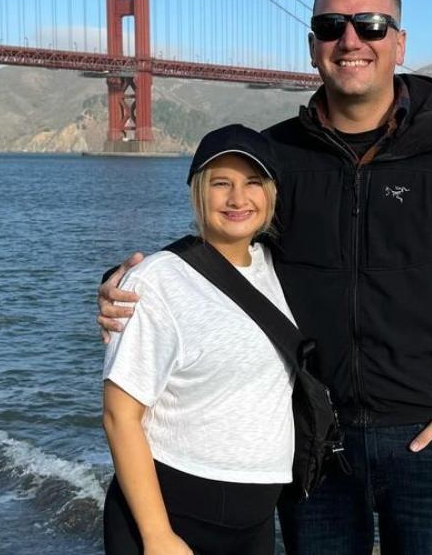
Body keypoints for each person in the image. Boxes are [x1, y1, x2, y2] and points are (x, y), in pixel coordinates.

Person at [99, 0, 432, 555]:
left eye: (372, 24)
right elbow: (224, 250)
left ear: (399, 42)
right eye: (332, 25)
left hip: (431, 437)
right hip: (311, 439)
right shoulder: (278, 154)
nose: (351, 39)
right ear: (312, 46)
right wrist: (128, 284)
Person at [101, 124, 294, 555]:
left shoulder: (279, 270)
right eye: (221, 183)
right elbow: (119, 416)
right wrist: (157, 536)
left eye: (253, 183)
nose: (238, 199)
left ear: (272, 194)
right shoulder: (155, 282)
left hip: (256, 521)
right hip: (173, 514)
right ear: (198, 191)